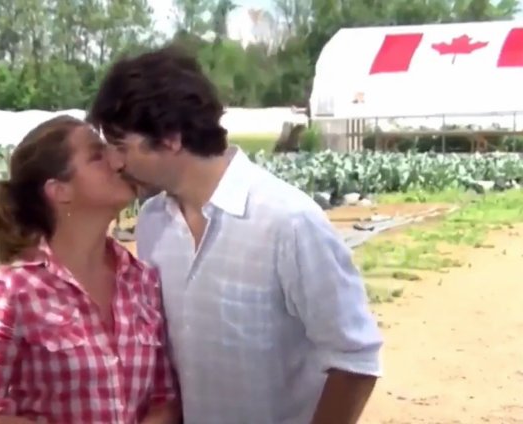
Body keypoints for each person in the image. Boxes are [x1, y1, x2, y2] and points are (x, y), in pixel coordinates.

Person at [87, 45, 383, 424]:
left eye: (121, 147)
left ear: (171, 137)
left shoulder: (287, 222)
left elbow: (355, 357)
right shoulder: (153, 222)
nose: (115, 163)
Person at [0, 115, 179, 424]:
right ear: (60, 191)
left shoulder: (143, 282)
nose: (117, 161)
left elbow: (164, 399)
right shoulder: (12, 292)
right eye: (97, 156)